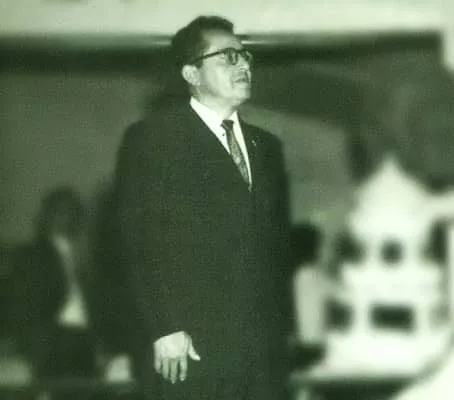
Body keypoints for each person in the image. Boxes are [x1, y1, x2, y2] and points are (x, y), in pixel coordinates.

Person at [114, 15, 290, 400]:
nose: (243, 65)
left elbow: (275, 251)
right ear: (192, 73)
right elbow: (135, 241)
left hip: (261, 353)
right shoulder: (154, 139)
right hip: (190, 347)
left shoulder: (267, 147)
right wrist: (164, 328)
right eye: (228, 56)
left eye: (245, 56)